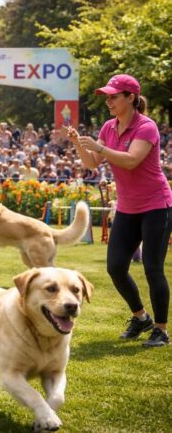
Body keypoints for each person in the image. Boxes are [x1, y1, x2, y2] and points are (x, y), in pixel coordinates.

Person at [68, 74, 171, 347]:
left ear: (131, 98)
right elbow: (92, 164)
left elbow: (131, 160)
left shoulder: (146, 126)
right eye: (107, 97)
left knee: (152, 268)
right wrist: (79, 143)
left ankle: (161, 330)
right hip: (127, 206)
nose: (108, 101)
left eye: (113, 96)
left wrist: (100, 147)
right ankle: (141, 317)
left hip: (156, 205)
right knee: (115, 267)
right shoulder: (108, 127)